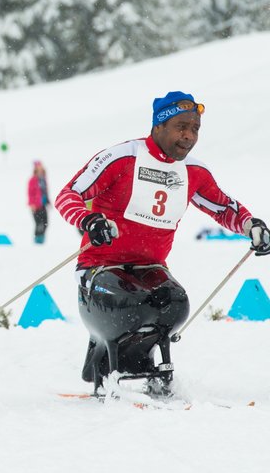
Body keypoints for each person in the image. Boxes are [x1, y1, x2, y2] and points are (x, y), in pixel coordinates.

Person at [56, 91, 269, 395]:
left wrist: (252, 226)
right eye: (181, 126)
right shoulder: (123, 157)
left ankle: (153, 370)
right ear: (158, 126)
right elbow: (68, 195)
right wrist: (89, 221)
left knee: (175, 305)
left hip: (151, 267)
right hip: (101, 267)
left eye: (195, 128)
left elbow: (224, 207)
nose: (188, 136)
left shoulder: (193, 172)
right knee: (129, 305)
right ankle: (108, 367)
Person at [27, 160, 50, 244]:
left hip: (43, 204)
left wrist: (48, 201)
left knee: (45, 223)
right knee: (39, 223)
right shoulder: (32, 180)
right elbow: (30, 193)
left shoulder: (43, 179)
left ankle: (41, 240)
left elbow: (45, 191)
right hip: (36, 206)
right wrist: (32, 204)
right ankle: (37, 240)